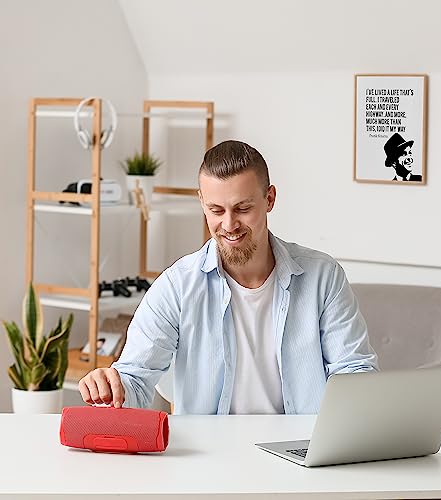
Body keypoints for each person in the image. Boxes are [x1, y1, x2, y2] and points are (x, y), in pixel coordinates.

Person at [79, 140, 378, 414]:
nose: (229, 224)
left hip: (303, 448)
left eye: (243, 208)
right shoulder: (176, 287)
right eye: (216, 210)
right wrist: (110, 387)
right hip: (209, 451)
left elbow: (354, 371)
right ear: (202, 203)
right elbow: (135, 380)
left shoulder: (323, 277)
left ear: (270, 199)